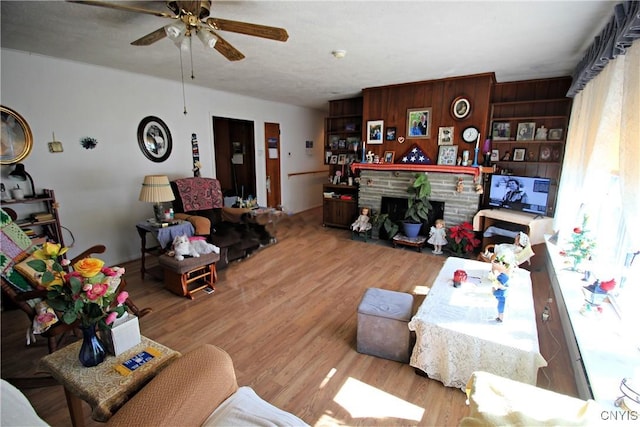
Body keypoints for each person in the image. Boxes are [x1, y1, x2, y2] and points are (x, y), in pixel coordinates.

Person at [488, 250, 515, 322]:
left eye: (499, 283)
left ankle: (501, 318)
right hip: (504, 303)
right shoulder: (505, 290)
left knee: (501, 310)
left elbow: (495, 293)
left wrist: (494, 290)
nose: (498, 284)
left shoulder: (502, 292)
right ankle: (501, 317)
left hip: (502, 304)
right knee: (502, 310)